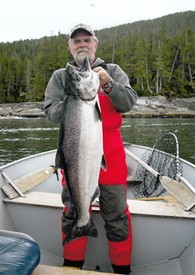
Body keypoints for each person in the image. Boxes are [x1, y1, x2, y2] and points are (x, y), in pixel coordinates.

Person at [44, 23, 138, 275]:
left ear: (95, 44)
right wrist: (75, 98)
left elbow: (128, 102)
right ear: (70, 47)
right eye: (77, 41)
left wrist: (107, 84)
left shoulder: (113, 70)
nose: (82, 44)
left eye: (87, 40)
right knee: (73, 211)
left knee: (117, 216)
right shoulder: (60, 76)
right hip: (75, 154)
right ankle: (72, 268)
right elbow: (51, 113)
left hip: (112, 156)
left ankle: (122, 270)